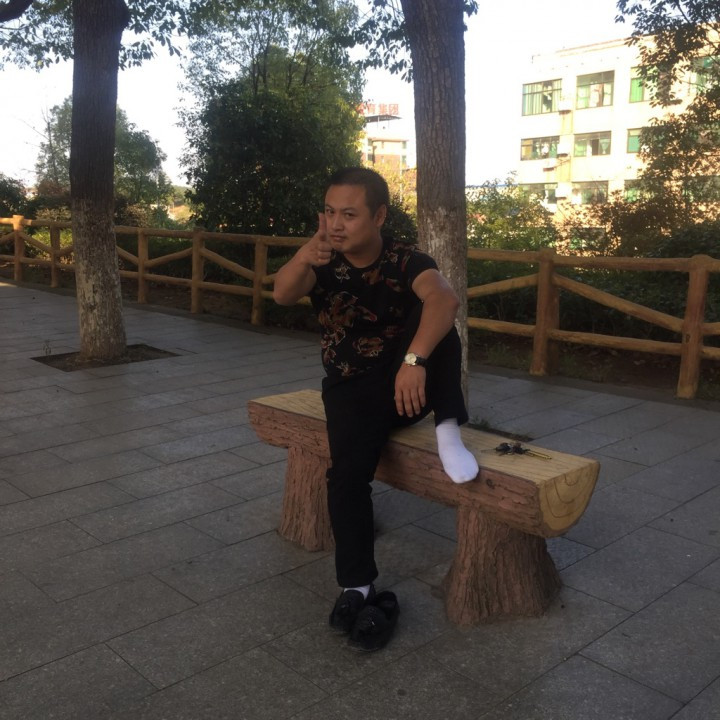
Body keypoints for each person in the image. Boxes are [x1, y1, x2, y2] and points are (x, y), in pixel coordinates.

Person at [273, 167, 478, 650]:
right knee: (346, 477)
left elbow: (444, 299)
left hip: (407, 389)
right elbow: (282, 294)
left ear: (379, 215)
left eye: (349, 214)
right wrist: (304, 254)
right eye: (329, 212)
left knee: (437, 314)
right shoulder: (321, 259)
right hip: (348, 390)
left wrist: (414, 361)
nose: (335, 223)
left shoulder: (406, 259)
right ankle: (358, 586)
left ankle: (448, 429)